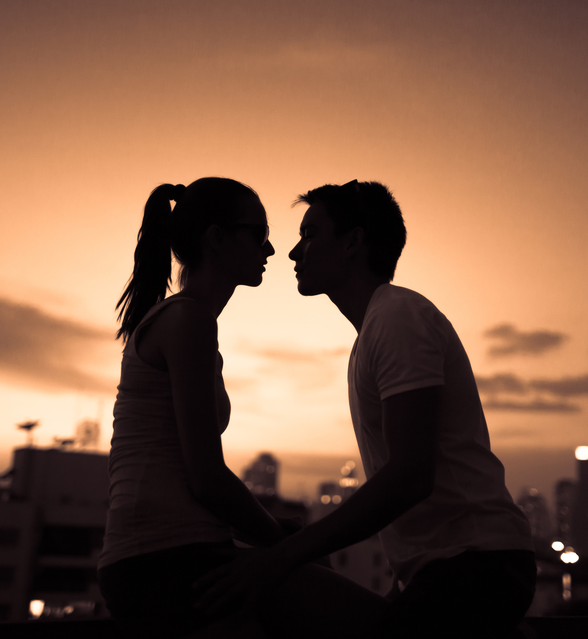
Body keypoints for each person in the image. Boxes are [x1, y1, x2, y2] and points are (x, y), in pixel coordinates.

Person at [196, 180, 536, 637]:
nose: (294, 253)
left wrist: (281, 556)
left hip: (478, 567)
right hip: (446, 571)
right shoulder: (374, 332)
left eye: (310, 234)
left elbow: (411, 475)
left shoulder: (398, 318)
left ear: (354, 241)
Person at [97, 179, 383, 637]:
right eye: (258, 233)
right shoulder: (187, 320)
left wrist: (278, 534)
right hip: (164, 563)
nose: (272, 249)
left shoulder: (190, 322)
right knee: (380, 624)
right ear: (216, 237)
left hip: (176, 555)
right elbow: (207, 477)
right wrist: (285, 543)